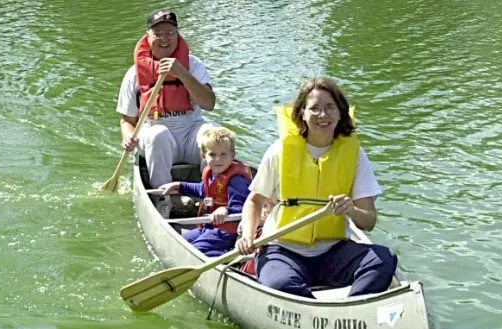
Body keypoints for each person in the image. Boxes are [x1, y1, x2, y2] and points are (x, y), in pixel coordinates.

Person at [235, 76, 398, 298]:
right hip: (283, 250)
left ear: (341, 112)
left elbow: (368, 221)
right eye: (315, 109)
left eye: (330, 107)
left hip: (333, 251)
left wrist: (350, 209)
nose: (323, 115)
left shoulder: (355, 154)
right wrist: (248, 234)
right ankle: (311, 307)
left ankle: (351, 307)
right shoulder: (280, 150)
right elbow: (254, 201)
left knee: (384, 259)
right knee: (280, 284)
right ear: (302, 113)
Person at [116, 9, 218, 214]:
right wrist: (128, 136)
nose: (165, 39)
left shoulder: (193, 64)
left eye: (170, 33)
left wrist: (181, 72)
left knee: (214, 134)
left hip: (190, 131)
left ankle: (213, 196)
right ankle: (163, 198)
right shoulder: (134, 73)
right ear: (148, 37)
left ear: (178, 35)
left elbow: (208, 104)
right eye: (158, 33)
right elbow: (127, 120)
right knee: (158, 135)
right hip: (155, 133)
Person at [159, 127, 251, 257]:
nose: (218, 159)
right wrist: (180, 186)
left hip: (228, 230)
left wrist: (225, 210)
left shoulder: (237, 180)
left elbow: (243, 207)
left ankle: (226, 255)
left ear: (233, 155)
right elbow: (204, 190)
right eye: (212, 154)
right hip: (210, 226)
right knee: (179, 243)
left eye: (223, 154)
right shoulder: (212, 173)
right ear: (203, 156)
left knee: (195, 251)